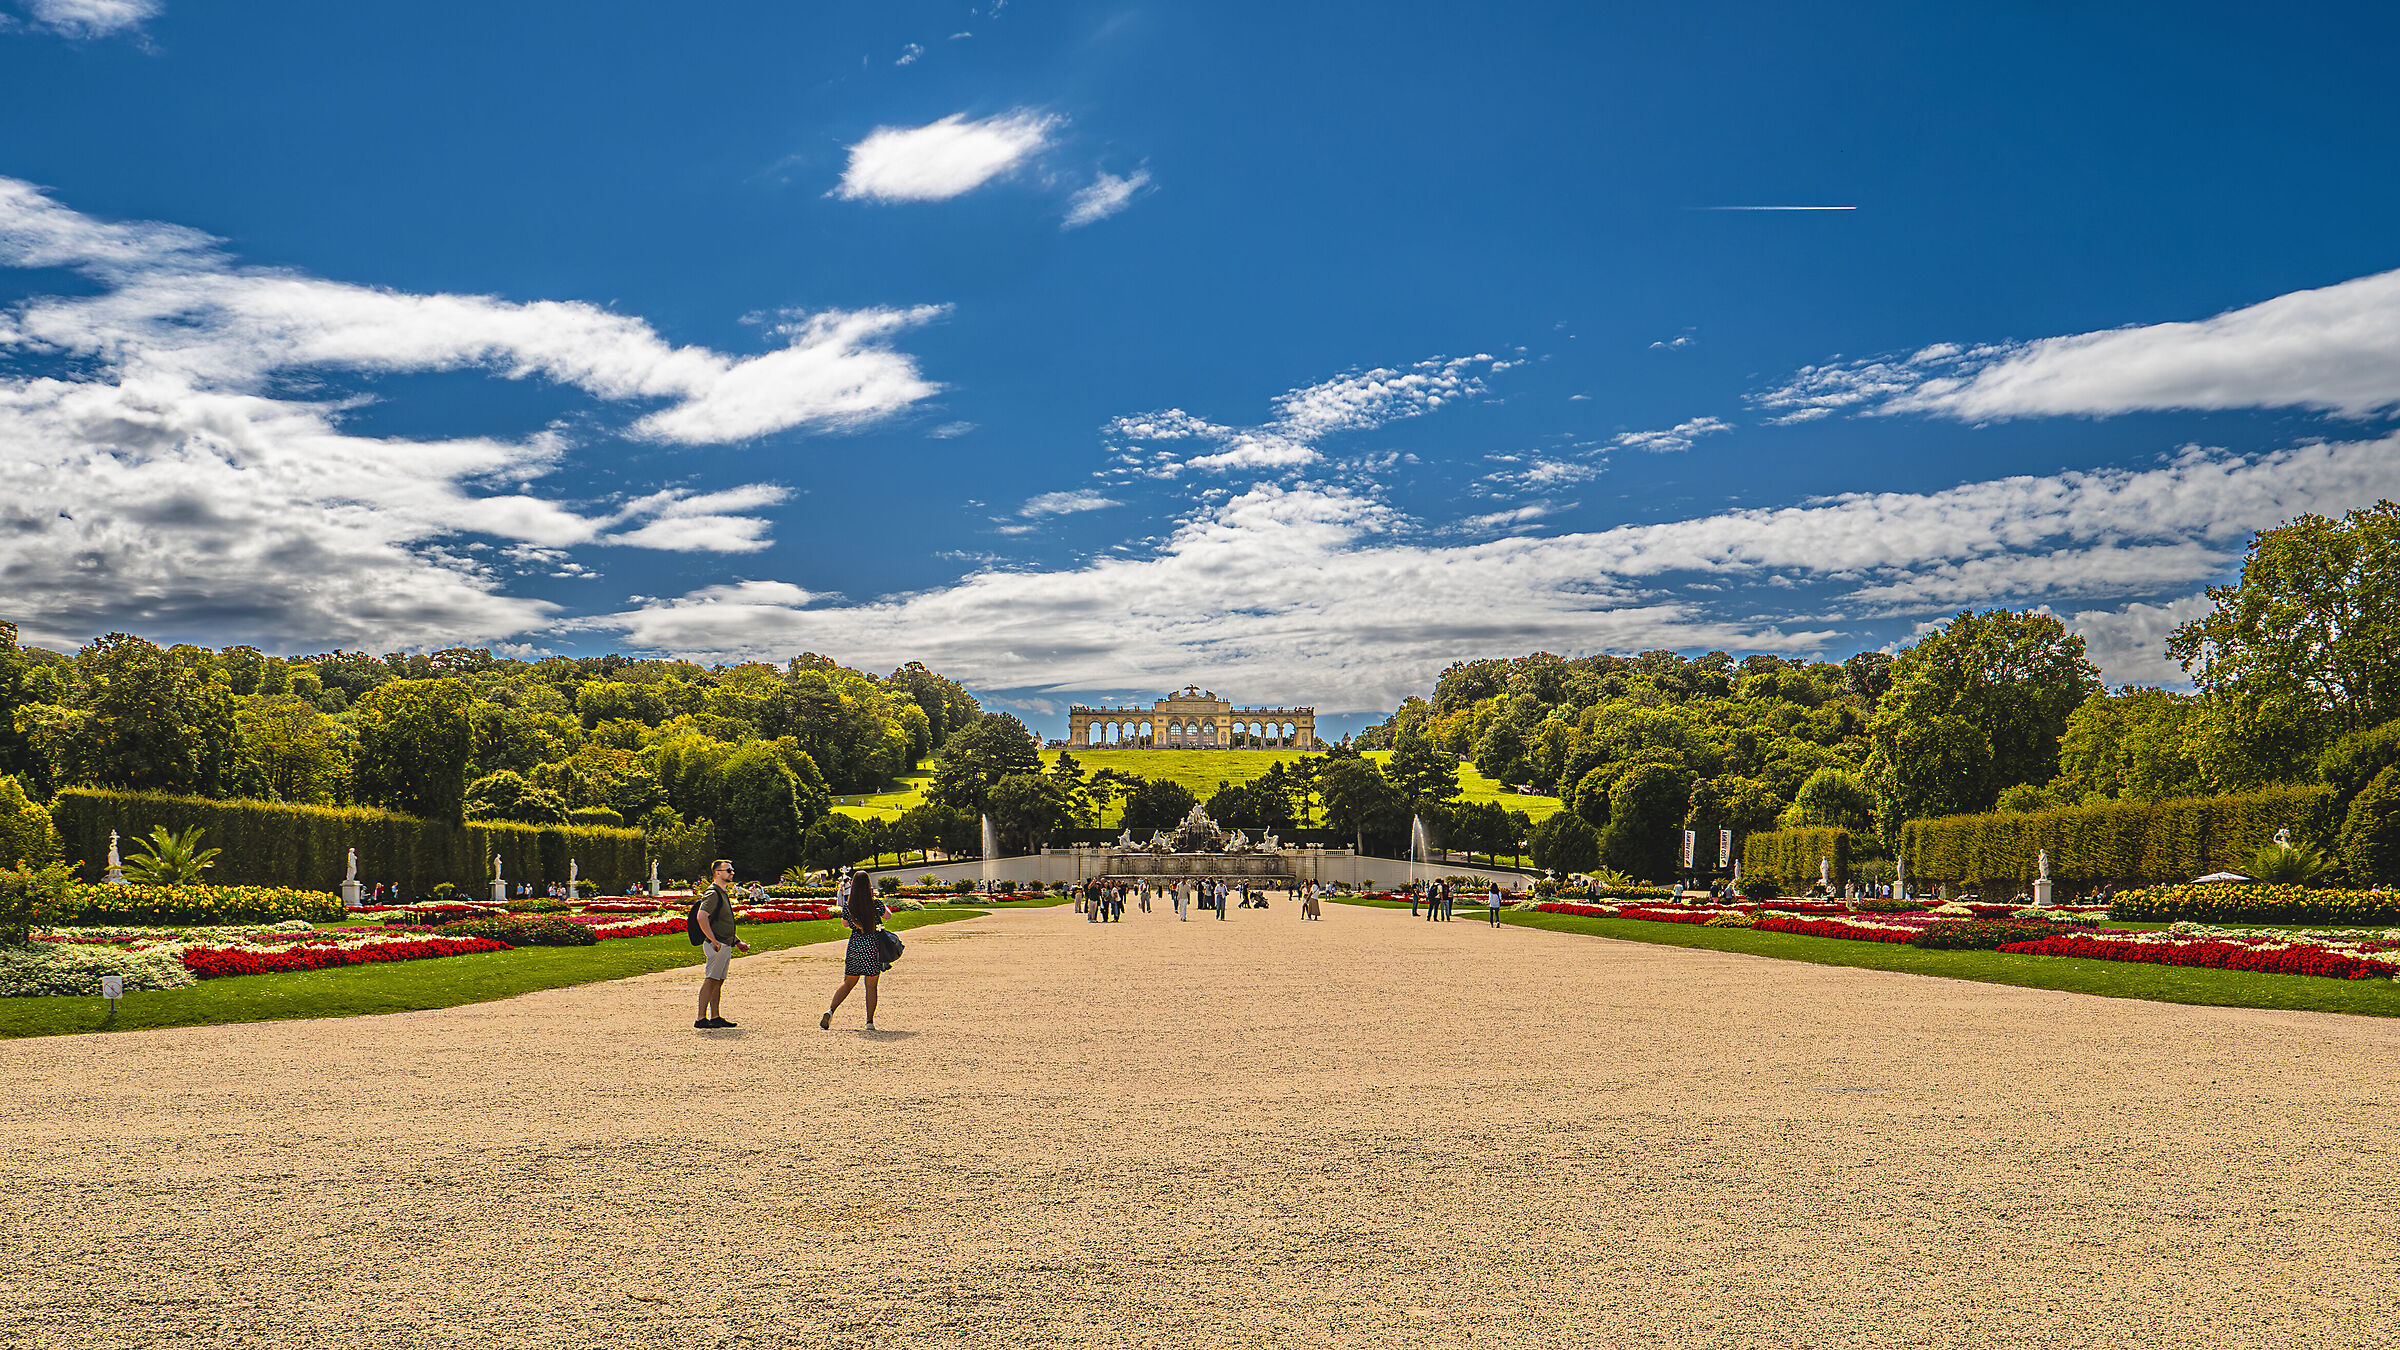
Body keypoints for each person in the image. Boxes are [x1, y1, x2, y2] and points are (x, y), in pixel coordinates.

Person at [822, 871, 889, 1031]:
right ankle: (869, 1021)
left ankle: (830, 1010)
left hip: (856, 945)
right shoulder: (875, 903)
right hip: (872, 944)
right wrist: (880, 902)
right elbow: (888, 916)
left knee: (848, 982)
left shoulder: (849, 905)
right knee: (871, 985)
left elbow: (845, 924)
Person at [691, 859, 750, 1029]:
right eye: (728, 870)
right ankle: (701, 1018)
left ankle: (715, 1016)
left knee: (718, 981)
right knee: (710, 979)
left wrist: (737, 941)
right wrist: (713, 939)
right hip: (716, 945)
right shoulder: (713, 893)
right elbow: (702, 916)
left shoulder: (721, 892)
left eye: (732, 870)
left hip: (724, 943)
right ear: (717, 873)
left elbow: (723, 923)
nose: (732, 873)